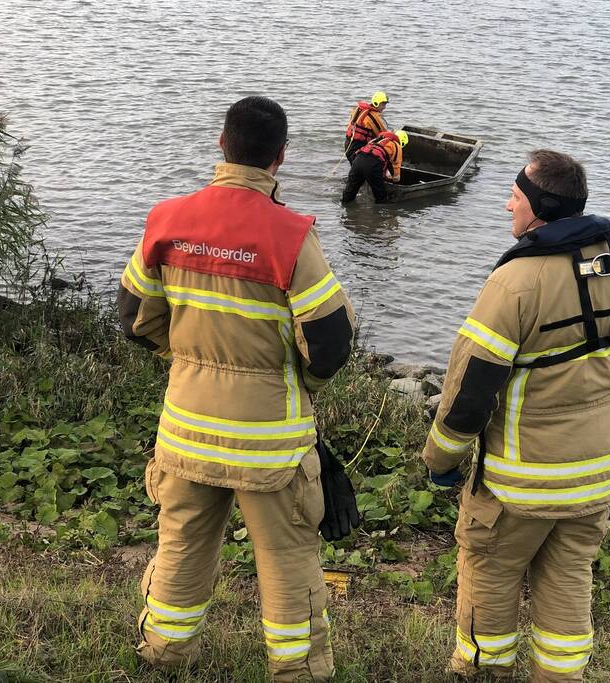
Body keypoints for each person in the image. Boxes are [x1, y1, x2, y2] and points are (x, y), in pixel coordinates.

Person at [117, 96, 355, 681]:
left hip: (186, 430)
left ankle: (164, 653)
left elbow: (133, 319)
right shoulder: (291, 236)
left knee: (181, 546)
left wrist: (185, 358)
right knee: (288, 560)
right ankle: (297, 671)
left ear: (222, 144)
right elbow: (330, 342)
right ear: (281, 156)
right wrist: (303, 381)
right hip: (270, 444)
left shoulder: (167, 220)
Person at [422, 150, 610, 682]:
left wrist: (441, 459)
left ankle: (481, 673)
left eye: (514, 197)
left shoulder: (515, 283)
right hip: (595, 476)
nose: (508, 206)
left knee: (490, 577)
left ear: (540, 208)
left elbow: (470, 390)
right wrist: (604, 417)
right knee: (569, 581)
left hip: (518, 487)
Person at [341, 129, 407, 205]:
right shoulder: (397, 146)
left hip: (358, 160)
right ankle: (379, 211)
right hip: (373, 164)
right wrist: (393, 180)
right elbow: (396, 171)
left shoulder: (377, 139)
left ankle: (344, 209)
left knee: (349, 193)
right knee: (381, 197)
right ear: (402, 142)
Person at [344, 91, 389, 161]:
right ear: (376, 103)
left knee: (355, 166)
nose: (384, 107)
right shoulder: (373, 116)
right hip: (357, 148)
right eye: (383, 104)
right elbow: (382, 134)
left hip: (348, 144)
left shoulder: (358, 109)